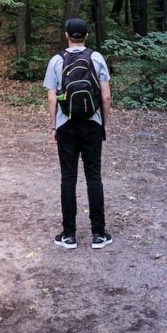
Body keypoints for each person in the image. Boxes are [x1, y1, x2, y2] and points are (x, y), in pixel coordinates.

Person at [43, 17, 112, 250]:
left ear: (66, 35)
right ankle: (99, 234)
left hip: (66, 125)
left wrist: (54, 126)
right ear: (86, 35)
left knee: (68, 178)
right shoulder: (97, 58)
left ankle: (69, 235)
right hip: (92, 123)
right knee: (94, 176)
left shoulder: (56, 60)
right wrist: (104, 124)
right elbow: (105, 97)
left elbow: (52, 98)